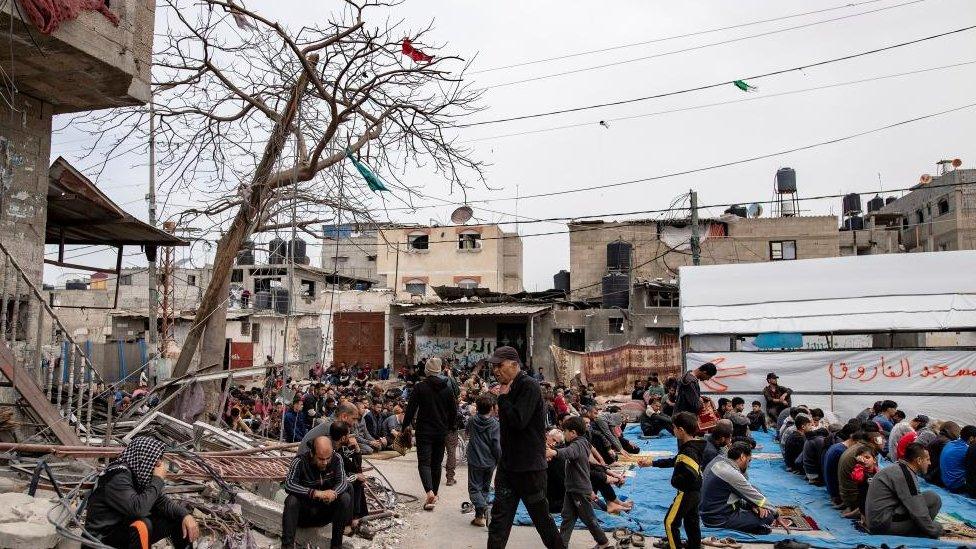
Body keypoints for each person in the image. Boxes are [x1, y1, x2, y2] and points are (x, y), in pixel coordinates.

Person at [486, 346, 563, 549]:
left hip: (529, 468)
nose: (495, 370)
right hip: (508, 466)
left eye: (499, 365)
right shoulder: (508, 386)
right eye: (494, 366)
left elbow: (519, 420)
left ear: (514, 364)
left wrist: (502, 398)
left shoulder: (529, 386)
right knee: (499, 521)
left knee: (542, 521)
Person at [84, 437, 200, 549]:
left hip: (121, 532)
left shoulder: (138, 476)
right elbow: (139, 509)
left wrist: (185, 515)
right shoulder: (117, 475)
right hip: (100, 539)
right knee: (141, 525)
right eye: (156, 460)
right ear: (143, 458)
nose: (159, 464)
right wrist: (158, 479)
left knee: (178, 518)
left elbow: (162, 502)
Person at [546, 416, 612, 549]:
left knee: (589, 519)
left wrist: (553, 452)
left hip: (580, 489)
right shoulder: (583, 442)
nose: (563, 434)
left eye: (565, 431)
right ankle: (561, 545)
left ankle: (603, 542)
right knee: (567, 518)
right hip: (571, 489)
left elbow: (568, 453)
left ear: (573, 432)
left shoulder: (577, 444)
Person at [402, 356, 458, 511]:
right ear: (439, 371)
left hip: (424, 431)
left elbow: (411, 409)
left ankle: (429, 492)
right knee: (436, 463)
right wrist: (451, 426)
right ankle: (435, 493)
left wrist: (405, 426)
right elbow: (453, 411)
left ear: (426, 371)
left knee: (424, 463)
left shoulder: (420, 387)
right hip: (441, 431)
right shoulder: (446, 388)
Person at [282, 436, 353, 549]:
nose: (325, 462)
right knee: (291, 500)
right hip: (305, 514)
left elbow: (343, 482)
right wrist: (316, 493)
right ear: (312, 453)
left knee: (345, 497)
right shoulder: (299, 461)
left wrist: (333, 493)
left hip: (325, 513)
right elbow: (289, 484)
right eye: (320, 459)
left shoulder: (337, 458)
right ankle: (287, 546)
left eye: (327, 458)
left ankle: (336, 545)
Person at [864, 442, 944, 539]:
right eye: (927, 459)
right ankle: (921, 531)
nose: (930, 463)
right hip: (882, 525)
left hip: (878, 520)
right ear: (919, 460)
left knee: (928, 498)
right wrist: (933, 531)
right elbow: (917, 509)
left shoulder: (899, 467)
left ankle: (922, 528)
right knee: (934, 502)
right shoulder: (905, 475)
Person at [650, 411, 705, 549]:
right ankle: (694, 546)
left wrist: (675, 480)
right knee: (691, 522)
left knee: (670, 522)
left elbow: (692, 474)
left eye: (674, 427)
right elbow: (675, 461)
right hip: (695, 493)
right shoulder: (693, 445)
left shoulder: (688, 451)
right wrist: (652, 463)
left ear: (681, 430)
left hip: (686, 493)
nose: (673, 430)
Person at [700, 441, 779, 535]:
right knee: (768, 516)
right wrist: (776, 514)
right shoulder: (730, 473)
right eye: (749, 461)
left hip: (710, 514)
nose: (748, 465)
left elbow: (741, 495)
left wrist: (754, 504)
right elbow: (754, 496)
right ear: (742, 457)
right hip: (718, 520)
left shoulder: (718, 460)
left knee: (755, 500)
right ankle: (747, 528)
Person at [466, 394, 501, 527]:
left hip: (475, 460)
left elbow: (468, 433)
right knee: (485, 488)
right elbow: (496, 445)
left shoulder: (472, 420)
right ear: (491, 408)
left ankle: (485, 509)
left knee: (474, 489)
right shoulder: (495, 425)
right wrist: (499, 460)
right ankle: (479, 517)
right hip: (489, 461)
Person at [940, 424, 976, 496]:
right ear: (971, 438)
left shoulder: (950, 443)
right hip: (956, 485)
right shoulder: (967, 450)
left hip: (945, 480)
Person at [925, 421, 960, 486]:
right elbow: (945, 462)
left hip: (929, 471)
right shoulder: (946, 441)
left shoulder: (940, 438)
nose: (958, 435)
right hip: (933, 476)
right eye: (957, 431)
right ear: (951, 431)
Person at [850, 445, 878, 519]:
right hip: (864, 502)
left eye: (867, 457)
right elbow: (857, 478)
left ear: (874, 460)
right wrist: (859, 465)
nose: (864, 460)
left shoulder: (876, 471)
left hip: (875, 501)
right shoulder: (860, 471)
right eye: (862, 458)